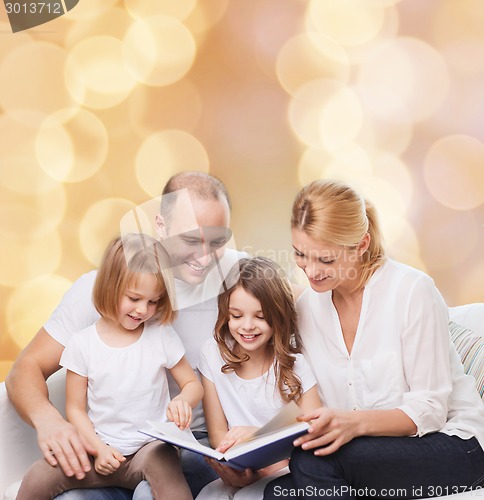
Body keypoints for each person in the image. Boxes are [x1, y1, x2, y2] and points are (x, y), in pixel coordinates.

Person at [6, 171, 247, 499]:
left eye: (217, 241)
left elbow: (303, 300)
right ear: (160, 226)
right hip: (105, 446)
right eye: (191, 240)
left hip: (188, 442)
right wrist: (50, 421)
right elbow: (25, 369)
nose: (205, 257)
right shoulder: (102, 289)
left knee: (151, 490)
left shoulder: (242, 278)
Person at [263, 179, 484, 499]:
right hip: (372, 452)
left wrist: (353, 424)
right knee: (278, 493)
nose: (311, 272)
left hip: (454, 445)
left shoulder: (411, 291)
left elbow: (430, 410)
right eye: (301, 255)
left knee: (311, 463)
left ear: (362, 244)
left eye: (326, 259)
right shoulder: (307, 309)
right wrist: (255, 450)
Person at [17, 233, 203, 499]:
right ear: (110, 286)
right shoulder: (82, 344)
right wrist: (98, 449)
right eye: (134, 298)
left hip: (149, 449)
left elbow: (192, 385)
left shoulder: (160, 334)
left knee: (164, 462)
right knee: (39, 475)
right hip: (100, 451)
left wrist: (184, 400)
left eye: (153, 301)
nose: (143, 310)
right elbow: (75, 410)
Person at [196, 257, 321, 500]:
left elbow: (313, 435)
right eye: (236, 315)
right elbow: (217, 435)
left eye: (260, 316)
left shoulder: (297, 366)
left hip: (285, 472)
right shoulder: (212, 354)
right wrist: (235, 467)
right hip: (238, 468)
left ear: (278, 315)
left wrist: (257, 440)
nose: (247, 326)